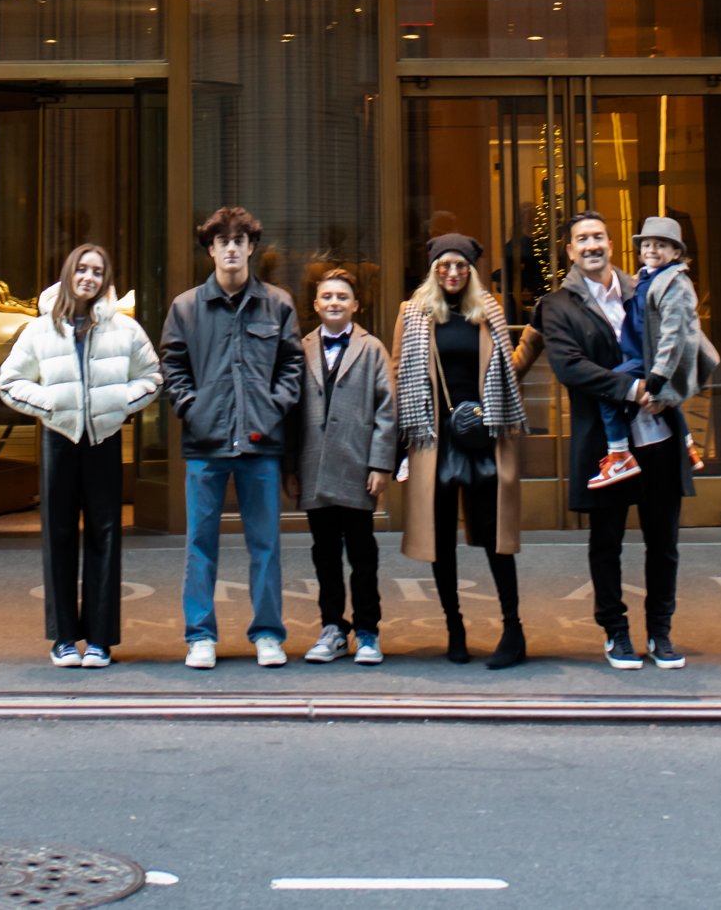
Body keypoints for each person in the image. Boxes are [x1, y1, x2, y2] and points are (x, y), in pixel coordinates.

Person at [519, 211, 697, 671]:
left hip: (657, 435)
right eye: (582, 239)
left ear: (612, 244)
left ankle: (660, 632)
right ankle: (615, 632)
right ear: (570, 251)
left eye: (598, 236)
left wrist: (670, 391)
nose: (591, 244)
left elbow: (686, 344)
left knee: (664, 542)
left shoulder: (648, 287)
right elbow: (570, 366)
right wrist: (634, 390)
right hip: (606, 444)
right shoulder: (557, 305)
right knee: (607, 541)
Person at [0, 242, 160, 669]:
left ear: (106, 280)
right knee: (60, 536)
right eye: (82, 269)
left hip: (104, 440)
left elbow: (152, 376)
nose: (89, 277)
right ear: (69, 273)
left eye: (97, 271)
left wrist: (118, 403)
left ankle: (101, 640)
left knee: (106, 535)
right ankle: (65, 638)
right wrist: (49, 404)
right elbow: (10, 381)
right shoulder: (40, 328)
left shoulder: (124, 329)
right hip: (59, 440)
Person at [160, 203, 305, 671]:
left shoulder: (278, 304)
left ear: (251, 248)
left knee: (265, 544)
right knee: (200, 544)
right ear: (211, 249)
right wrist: (191, 409)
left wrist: (272, 408)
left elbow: (293, 367)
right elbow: (173, 367)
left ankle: (267, 634)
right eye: (222, 242)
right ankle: (199, 635)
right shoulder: (186, 307)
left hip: (261, 442)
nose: (231, 250)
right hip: (206, 444)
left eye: (239, 241)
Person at [392, 231, 530, 670]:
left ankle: (513, 629)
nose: (452, 273)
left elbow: (508, 369)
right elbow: (399, 376)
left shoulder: (486, 312)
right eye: (444, 266)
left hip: (485, 436)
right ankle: (455, 627)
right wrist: (398, 447)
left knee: (496, 539)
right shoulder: (413, 314)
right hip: (435, 439)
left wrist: (536, 339)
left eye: (460, 266)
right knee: (441, 540)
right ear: (433, 270)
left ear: (470, 271)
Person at [283, 265, 396, 665]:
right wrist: (290, 468)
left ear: (356, 305)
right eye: (327, 297)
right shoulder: (301, 347)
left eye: (342, 297)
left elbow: (387, 409)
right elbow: (291, 412)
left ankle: (367, 629)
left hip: (356, 467)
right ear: (315, 304)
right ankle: (332, 626)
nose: (334, 302)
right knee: (324, 553)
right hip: (314, 468)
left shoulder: (372, 348)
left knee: (363, 553)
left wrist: (380, 464)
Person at [587, 218, 707, 491]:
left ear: (676, 253)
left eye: (661, 245)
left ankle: (619, 455)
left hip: (649, 359)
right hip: (641, 354)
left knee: (608, 387)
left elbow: (673, 336)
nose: (652, 250)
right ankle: (687, 446)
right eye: (647, 244)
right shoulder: (647, 277)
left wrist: (658, 375)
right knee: (667, 404)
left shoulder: (675, 284)